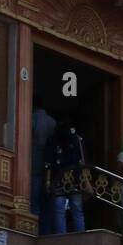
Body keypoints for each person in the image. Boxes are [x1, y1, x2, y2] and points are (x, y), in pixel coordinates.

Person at [49, 121, 90, 234]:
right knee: (77, 210)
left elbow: (50, 161)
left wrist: (49, 181)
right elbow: (82, 161)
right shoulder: (77, 139)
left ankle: (61, 238)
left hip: (58, 179)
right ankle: (81, 237)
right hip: (75, 179)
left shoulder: (54, 139)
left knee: (59, 211)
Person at [30, 97, 58, 234]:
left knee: (34, 200)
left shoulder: (32, 119)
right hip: (50, 165)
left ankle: (33, 230)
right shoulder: (52, 122)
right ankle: (46, 231)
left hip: (34, 162)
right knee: (47, 202)